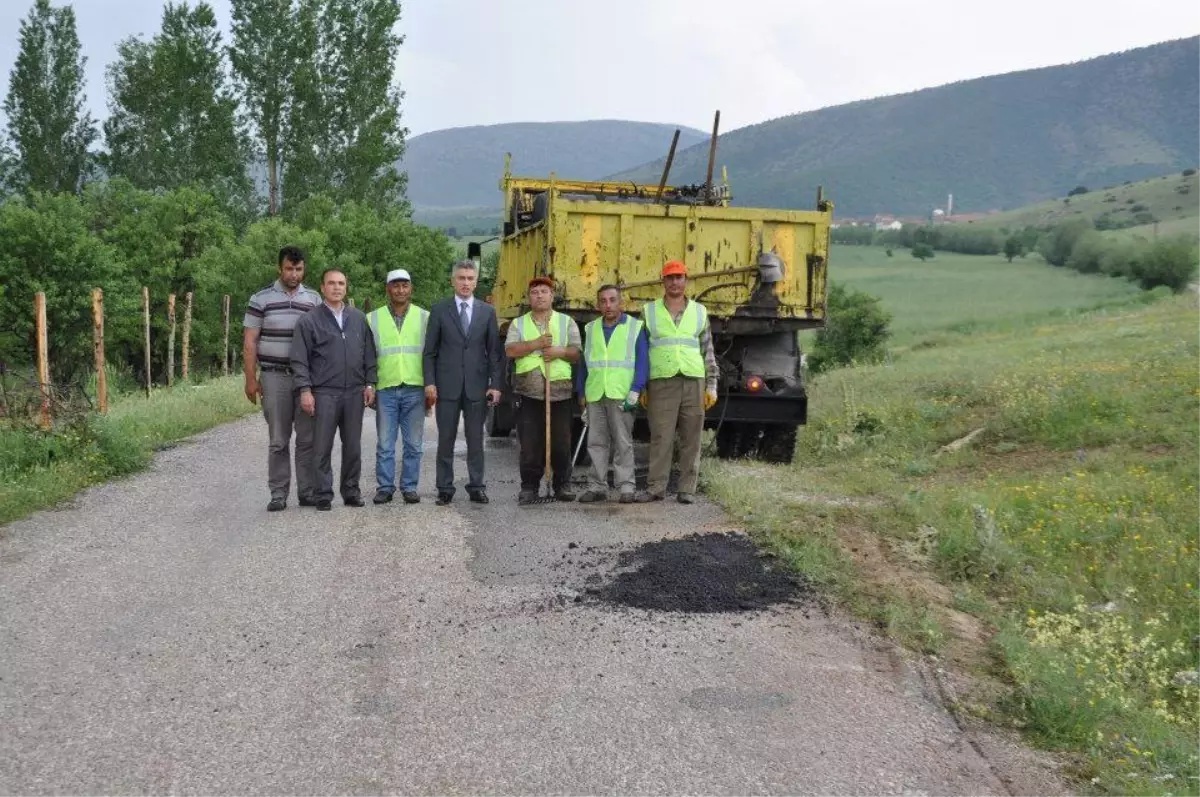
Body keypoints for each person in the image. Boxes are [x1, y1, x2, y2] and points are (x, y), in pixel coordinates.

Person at [289, 268, 377, 511]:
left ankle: (351, 491)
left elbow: (369, 353)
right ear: (322, 287)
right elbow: (299, 359)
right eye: (331, 283)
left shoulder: (358, 318)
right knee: (322, 446)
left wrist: (370, 383)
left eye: (341, 283)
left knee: (353, 446)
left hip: (354, 392)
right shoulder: (309, 321)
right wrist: (305, 390)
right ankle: (323, 494)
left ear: (346, 287)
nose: (337, 287)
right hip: (324, 392)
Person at [242, 245, 322, 512]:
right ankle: (278, 492)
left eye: (299, 269)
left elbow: (322, 341)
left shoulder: (313, 299)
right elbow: (250, 341)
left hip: (305, 380)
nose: (294, 274)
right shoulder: (261, 298)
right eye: (289, 268)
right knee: (278, 439)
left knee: (307, 438)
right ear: (280, 268)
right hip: (274, 377)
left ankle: (307, 491)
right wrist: (250, 379)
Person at [423, 260, 503, 506]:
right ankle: (445, 488)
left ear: (476, 282)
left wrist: (496, 385)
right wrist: (430, 383)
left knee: (475, 440)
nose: (466, 282)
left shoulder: (487, 312)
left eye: (470, 278)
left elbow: (494, 352)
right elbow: (430, 352)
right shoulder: (439, 310)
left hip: (477, 387)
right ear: (453, 281)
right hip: (446, 387)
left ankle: (477, 486)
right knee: (445, 439)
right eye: (461, 278)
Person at [641, 260, 719, 504]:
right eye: (670, 277)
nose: (675, 282)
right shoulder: (649, 311)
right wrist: (642, 385)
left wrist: (712, 385)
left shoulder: (699, 311)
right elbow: (641, 352)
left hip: (693, 381)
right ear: (662, 281)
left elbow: (708, 350)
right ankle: (656, 487)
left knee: (691, 437)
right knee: (661, 437)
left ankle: (687, 489)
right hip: (661, 382)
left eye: (679, 277)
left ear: (686, 280)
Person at [504, 277, 581, 505]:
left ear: (552, 295)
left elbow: (576, 353)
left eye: (544, 291)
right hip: (528, 392)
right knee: (530, 443)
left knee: (561, 442)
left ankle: (562, 485)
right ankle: (529, 487)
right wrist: (535, 344)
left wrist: (558, 351)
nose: (539, 295)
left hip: (559, 392)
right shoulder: (518, 324)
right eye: (535, 292)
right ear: (530, 297)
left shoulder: (567, 322)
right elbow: (510, 350)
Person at [575, 284, 649, 504]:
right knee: (596, 442)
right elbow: (584, 364)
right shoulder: (591, 329)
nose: (608, 305)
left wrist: (636, 389)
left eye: (612, 300)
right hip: (596, 392)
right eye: (603, 301)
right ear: (598, 305)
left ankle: (626, 486)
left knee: (622, 441)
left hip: (622, 393)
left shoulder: (635, 328)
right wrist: (581, 392)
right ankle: (597, 486)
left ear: (621, 302)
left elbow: (643, 362)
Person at [367, 269, 428, 505]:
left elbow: (430, 355)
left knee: (414, 444)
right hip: (386, 388)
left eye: (404, 285)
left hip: (415, 387)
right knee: (385, 443)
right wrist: (370, 384)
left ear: (410, 288)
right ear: (387, 289)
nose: (400, 290)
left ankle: (410, 487)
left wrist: (431, 386)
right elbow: (368, 356)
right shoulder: (372, 318)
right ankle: (385, 487)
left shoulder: (424, 317)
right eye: (395, 286)